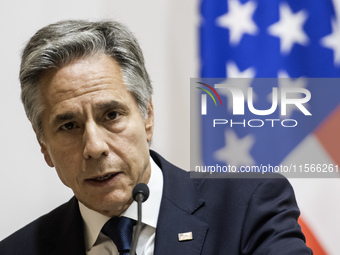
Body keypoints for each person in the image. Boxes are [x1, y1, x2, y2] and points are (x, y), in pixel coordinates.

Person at [0, 19, 312, 254]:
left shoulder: (249, 206)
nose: (94, 147)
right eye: (68, 126)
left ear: (147, 116)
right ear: (43, 145)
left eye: (111, 115)